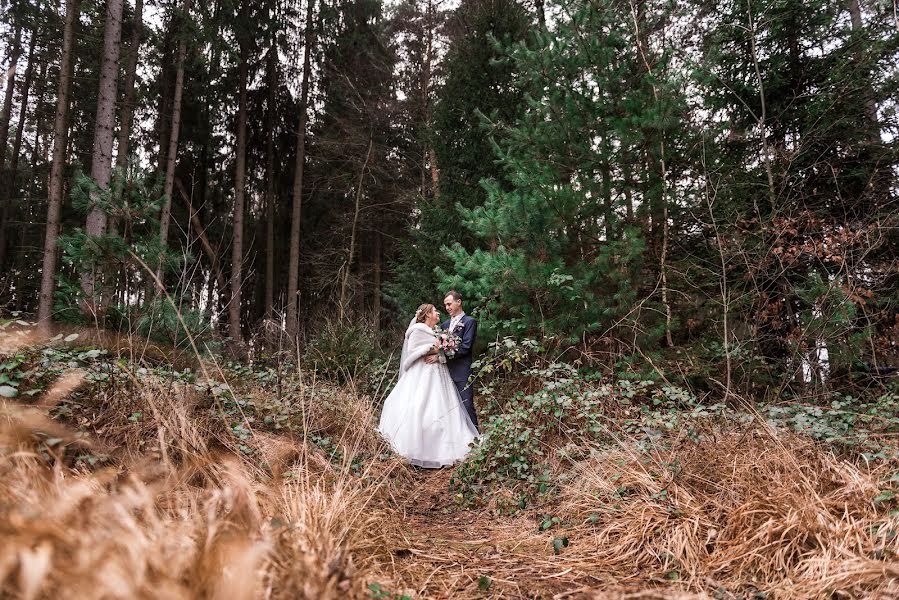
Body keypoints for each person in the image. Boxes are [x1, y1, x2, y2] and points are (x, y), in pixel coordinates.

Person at [377, 303, 479, 468]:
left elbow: (447, 350)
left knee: (443, 407)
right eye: (434, 311)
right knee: (421, 406)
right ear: (426, 315)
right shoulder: (417, 329)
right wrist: (434, 348)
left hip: (439, 372)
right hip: (423, 373)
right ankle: (417, 448)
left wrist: (440, 351)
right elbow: (413, 350)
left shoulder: (438, 331)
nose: (438, 312)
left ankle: (447, 446)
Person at [425, 290, 478, 429]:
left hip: (462, 371)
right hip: (445, 372)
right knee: (450, 408)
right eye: (445, 305)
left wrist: (440, 357)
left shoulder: (469, 322)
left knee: (466, 405)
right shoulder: (444, 326)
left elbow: (466, 347)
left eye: (449, 304)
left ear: (458, 302)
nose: (447, 308)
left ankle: (476, 440)